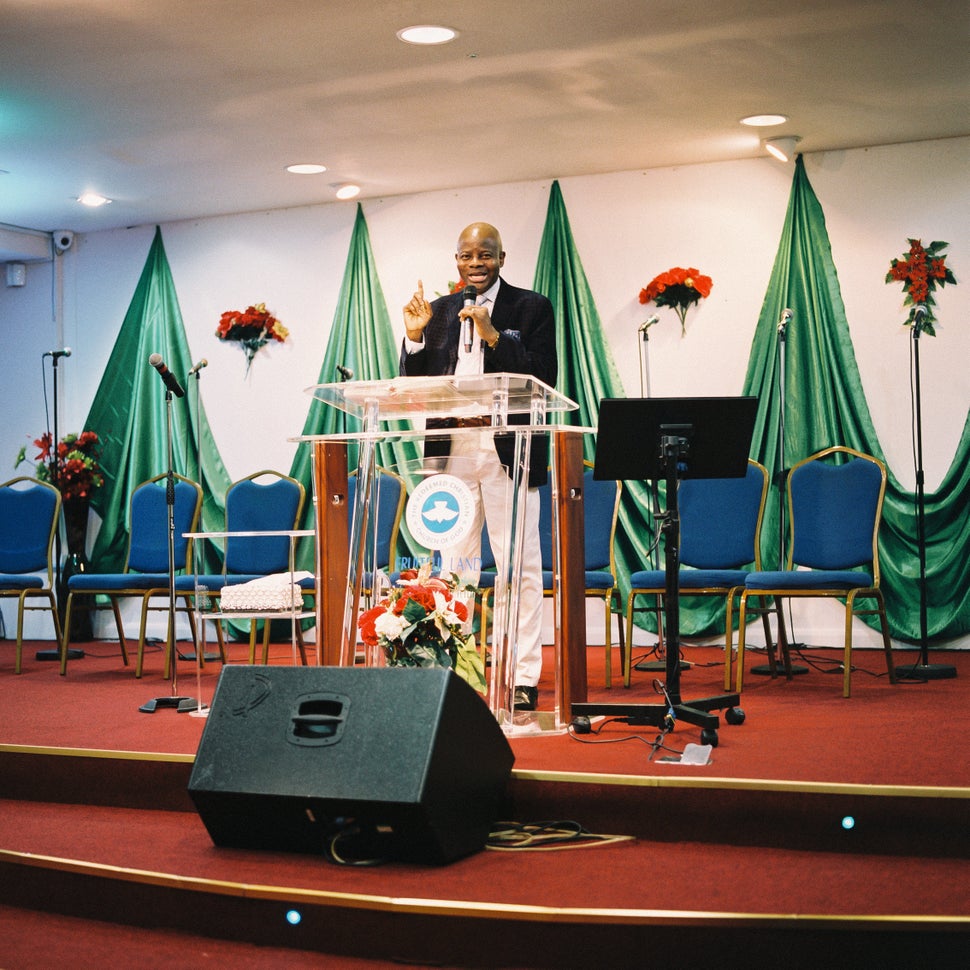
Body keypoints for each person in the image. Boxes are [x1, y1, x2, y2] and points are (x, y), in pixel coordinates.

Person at [400, 222, 558, 711]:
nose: (475, 263)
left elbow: (542, 375)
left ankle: (522, 675)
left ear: (502, 258)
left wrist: (495, 337)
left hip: (509, 447)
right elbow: (417, 383)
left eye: (484, 255)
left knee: (518, 565)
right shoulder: (441, 310)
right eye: (466, 255)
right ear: (456, 261)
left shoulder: (532, 306)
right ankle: (458, 672)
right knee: (456, 567)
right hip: (453, 448)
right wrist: (414, 338)